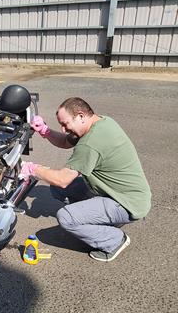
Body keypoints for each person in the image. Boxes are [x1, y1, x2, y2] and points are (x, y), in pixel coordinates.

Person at [19, 97, 151, 262]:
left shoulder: (90, 143)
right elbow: (67, 142)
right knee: (56, 189)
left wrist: (32, 169)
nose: (64, 128)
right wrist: (45, 131)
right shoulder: (102, 122)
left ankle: (114, 240)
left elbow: (62, 179)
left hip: (127, 202)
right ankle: (97, 220)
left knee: (66, 217)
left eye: (65, 123)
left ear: (80, 115)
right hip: (121, 192)